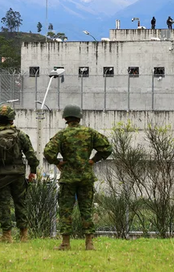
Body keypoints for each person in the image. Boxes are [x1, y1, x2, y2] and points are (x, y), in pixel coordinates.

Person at [44, 104, 112, 251]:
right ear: (79, 117)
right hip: (86, 177)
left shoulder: (62, 135)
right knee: (86, 209)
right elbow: (107, 148)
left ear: (65, 118)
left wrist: (58, 162)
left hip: (68, 178)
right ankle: (89, 243)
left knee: (66, 210)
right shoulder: (90, 133)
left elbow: (48, 152)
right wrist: (93, 160)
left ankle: (65, 243)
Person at [0, 104, 38, 243]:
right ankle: (23, 235)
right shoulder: (21, 135)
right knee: (21, 203)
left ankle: (7, 235)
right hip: (18, 174)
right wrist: (33, 171)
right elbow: (31, 155)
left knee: (4, 205)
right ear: (12, 120)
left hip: (1, 175)